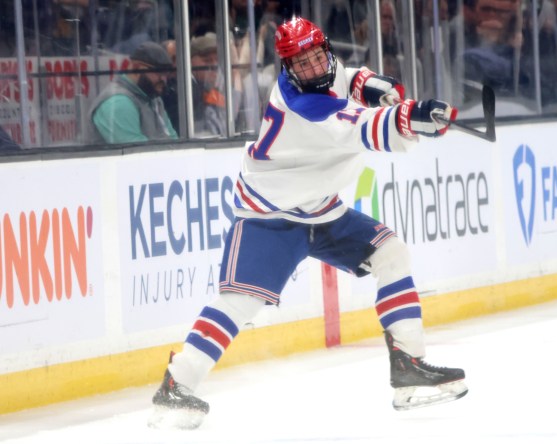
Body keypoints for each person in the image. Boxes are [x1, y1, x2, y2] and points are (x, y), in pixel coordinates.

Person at [149, 17, 466, 430]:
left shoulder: (320, 75)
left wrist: (365, 82)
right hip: (271, 214)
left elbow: (345, 78)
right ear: (287, 68)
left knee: (390, 253)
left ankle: (409, 366)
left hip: (320, 209)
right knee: (240, 303)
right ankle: (177, 384)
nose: (315, 67)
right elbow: (361, 126)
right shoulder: (302, 107)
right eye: (303, 62)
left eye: (319, 56)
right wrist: (412, 115)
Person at [87, 41, 178, 144]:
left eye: (166, 73)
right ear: (136, 68)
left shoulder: (153, 98)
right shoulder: (118, 102)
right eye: (158, 72)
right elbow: (135, 154)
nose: (163, 79)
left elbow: (173, 140)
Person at [190, 33, 243, 136]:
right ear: (190, 62)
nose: (214, 66)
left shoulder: (215, 88)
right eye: (207, 61)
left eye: (217, 60)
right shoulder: (189, 94)